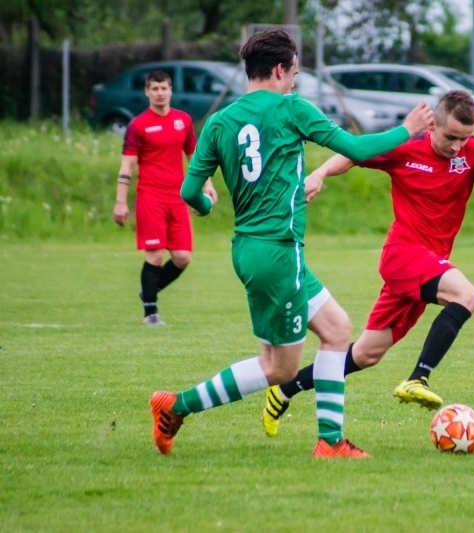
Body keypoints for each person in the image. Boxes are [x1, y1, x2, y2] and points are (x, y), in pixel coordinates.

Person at [149, 29, 433, 458]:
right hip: (278, 252)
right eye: (295, 73)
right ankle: (178, 406)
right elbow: (355, 147)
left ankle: (330, 440)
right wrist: (406, 130)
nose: (295, 83)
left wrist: (208, 206)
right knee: (277, 367)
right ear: (279, 69)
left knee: (337, 330)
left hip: (251, 249)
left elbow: (190, 192)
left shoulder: (218, 123)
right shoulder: (291, 108)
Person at [260, 89, 474, 437]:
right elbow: (352, 154)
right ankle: (418, 377)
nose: (456, 146)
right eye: (450, 137)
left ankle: (285, 389)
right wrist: (320, 175)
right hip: (404, 255)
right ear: (432, 123)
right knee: (467, 296)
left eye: (463, 138)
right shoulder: (406, 148)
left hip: (429, 263)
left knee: (364, 354)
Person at [113, 70, 218, 326]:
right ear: (147, 92)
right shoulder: (138, 125)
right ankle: (151, 313)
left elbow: (196, 157)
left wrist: (208, 185)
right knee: (156, 255)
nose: (160, 93)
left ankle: (148, 291)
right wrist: (120, 201)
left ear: (171, 91)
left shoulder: (183, 120)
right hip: (150, 197)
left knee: (182, 257)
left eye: (164, 88)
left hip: (178, 198)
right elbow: (127, 166)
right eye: (155, 89)